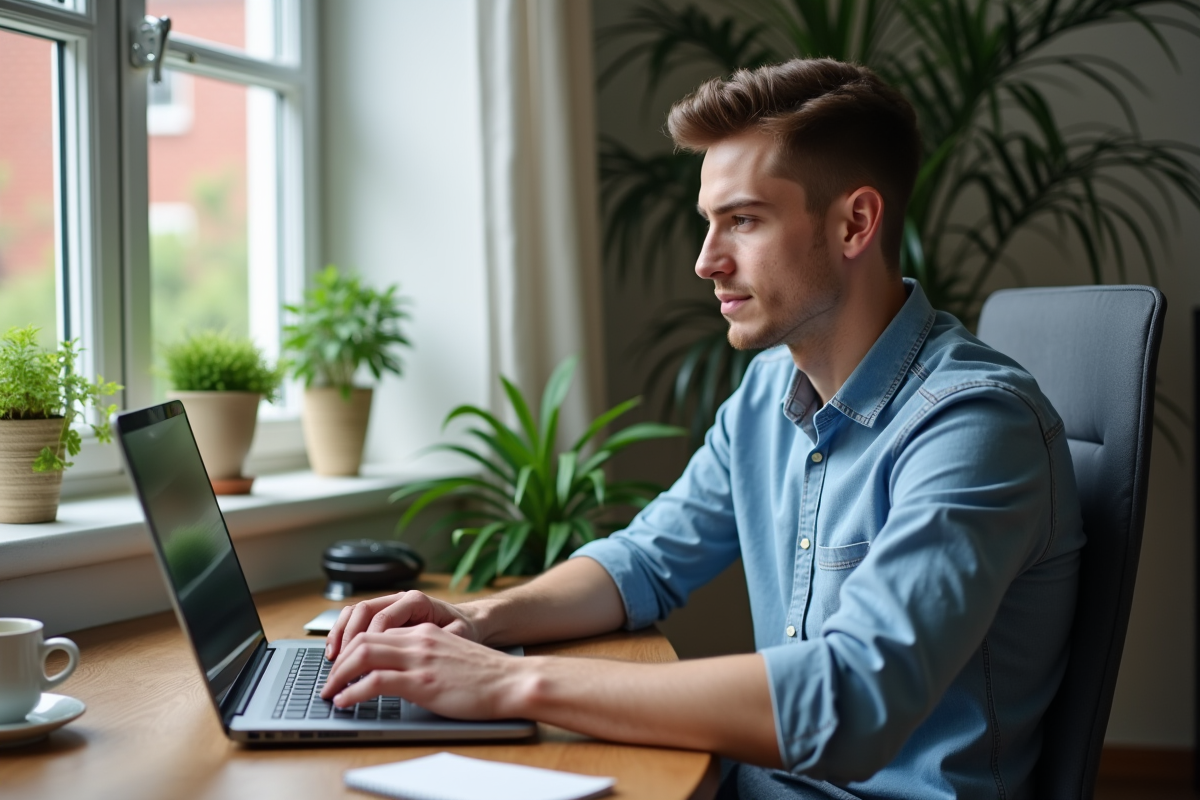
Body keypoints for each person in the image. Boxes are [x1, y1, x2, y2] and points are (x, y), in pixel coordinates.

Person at [320, 58, 1084, 800]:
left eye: (743, 221)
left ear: (855, 223)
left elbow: (849, 704)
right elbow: (646, 561)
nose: (705, 261)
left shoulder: (972, 423)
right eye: (708, 224)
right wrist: (477, 621)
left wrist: (513, 681)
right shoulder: (765, 397)